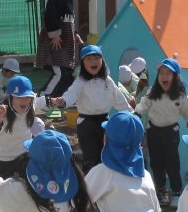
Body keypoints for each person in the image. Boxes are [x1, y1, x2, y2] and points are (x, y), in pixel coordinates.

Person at [49, 44, 131, 173]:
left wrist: (130, 113)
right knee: (91, 158)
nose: (93, 62)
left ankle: (105, 182)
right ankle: (90, 182)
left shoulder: (107, 81)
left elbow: (119, 100)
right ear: (83, 63)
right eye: (89, 59)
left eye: (97, 58)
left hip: (105, 122)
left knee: (105, 156)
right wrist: (62, 101)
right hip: (86, 124)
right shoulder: (80, 82)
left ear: (102, 61)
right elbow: (71, 94)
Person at [134, 58, 188, 209]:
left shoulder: (180, 96)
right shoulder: (152, 92)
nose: (164, 76)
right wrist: (136, 114)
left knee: (172, 163)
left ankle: (176, 192)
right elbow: (143, 105)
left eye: (168, 73)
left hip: (171, 132)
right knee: (156, 164)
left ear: (176, 76)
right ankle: (161, 191)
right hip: (153, 131)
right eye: (161, 73)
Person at [0, 75, 46, 212]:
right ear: (10, 97)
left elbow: (43, 101)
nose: (24, 101)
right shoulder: (3, 111)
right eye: (19, 97)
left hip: (24, 154)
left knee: (32, 178)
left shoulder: (31, 105)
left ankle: (37, 205)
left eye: (27, 97)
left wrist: (56, 101)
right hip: (4, 157)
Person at [37, 0, 87, 98]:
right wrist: (55, 35)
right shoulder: (56, 0)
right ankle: (43, 97)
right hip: (56, 44)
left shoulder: (68, 3)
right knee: (59, 73)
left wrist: (75, 34)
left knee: (66, 74)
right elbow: (50, 17)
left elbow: (69, 23)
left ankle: (58, 99)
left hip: (64, 46)